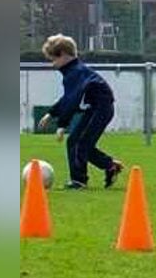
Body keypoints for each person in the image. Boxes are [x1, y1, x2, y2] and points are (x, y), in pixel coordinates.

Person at [37, 34, 123, 190]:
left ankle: (78, 181)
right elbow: (68, 98)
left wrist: (62, 124)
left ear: (63, 54)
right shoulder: (74, 71)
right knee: (76, 142)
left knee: (81, 143)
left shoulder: (75, 72)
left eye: (53, 59)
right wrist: (51, 113)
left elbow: (72, 99)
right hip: (96, 108)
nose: (52, 64)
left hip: (102, 108)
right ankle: (110, 166)